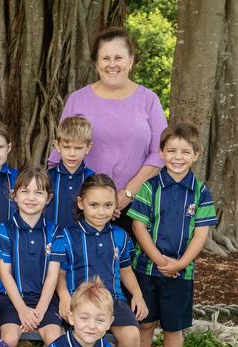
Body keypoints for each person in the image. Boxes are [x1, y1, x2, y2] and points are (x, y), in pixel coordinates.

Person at [47, 27, 168, 237]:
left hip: (134, 204)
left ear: (130, 61)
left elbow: (160, 152)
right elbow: (62, 150)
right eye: (105, 58)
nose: (112, 64)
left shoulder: (149, 100)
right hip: (83, 203)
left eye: (119, 57)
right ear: (96, 63)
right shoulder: (78, 99)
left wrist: (128, 193)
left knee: (124, 267)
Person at [127, 123, 218, 347]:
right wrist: (158, 260)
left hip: (182, 272)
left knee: (174, 327)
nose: (178, 157)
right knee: (144, 323)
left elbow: (201, 234)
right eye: (171, 151)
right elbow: (138, 227)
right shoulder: (149, 187)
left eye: (185, 152)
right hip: (146, 269)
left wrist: (179, 264)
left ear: (197, 155)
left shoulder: (201, 192)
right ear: (161, 153)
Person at [52, 174, 148, 347]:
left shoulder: (120, 236)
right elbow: (59, 273)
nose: (100, 211)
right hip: (78, 301)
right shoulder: (67, 236)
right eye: (94, 205)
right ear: (80, 203)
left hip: (111, 300)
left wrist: (137, 294)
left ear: (116, 207)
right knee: (67, 338)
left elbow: (125, 271)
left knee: (131, 335)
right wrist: (64, 297)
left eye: (107, 205)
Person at [0, 167, 63, 347]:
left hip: (44, 300)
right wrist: (22, 309)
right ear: (14, 195)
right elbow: (4, 274)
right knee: (8, 341)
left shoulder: (55, 232)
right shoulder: (4, 230)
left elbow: (53, 275)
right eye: (25, 191)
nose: (31, 198)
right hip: (12, 300)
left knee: (55, 340)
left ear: (48, 198)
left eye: (38, 193)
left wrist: (39, 311)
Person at [44, 116, 95, 229]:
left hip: (82, 242)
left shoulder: (93, 180)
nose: (72, 153)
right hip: (52, 241)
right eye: (66, 147)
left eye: (78, 148)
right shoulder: (46, 177)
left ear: (88, 148)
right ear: (57, 146)